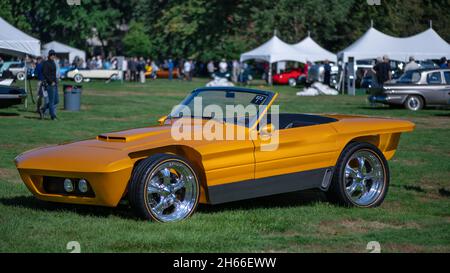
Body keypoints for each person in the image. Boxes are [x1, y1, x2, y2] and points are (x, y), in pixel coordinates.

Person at [41, 50, 58, 120]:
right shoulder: (46, 63)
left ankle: (42, 109)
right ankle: (53, 116)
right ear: (49, 55)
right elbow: (45, 73)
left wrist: (56, 81)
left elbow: (53, 74)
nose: (53, 56)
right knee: (51, 101)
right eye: (51, 55)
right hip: (49, 84)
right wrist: (51, 81)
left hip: (55, 84)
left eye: (54, 54)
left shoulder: (53, 62)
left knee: (56, 100)